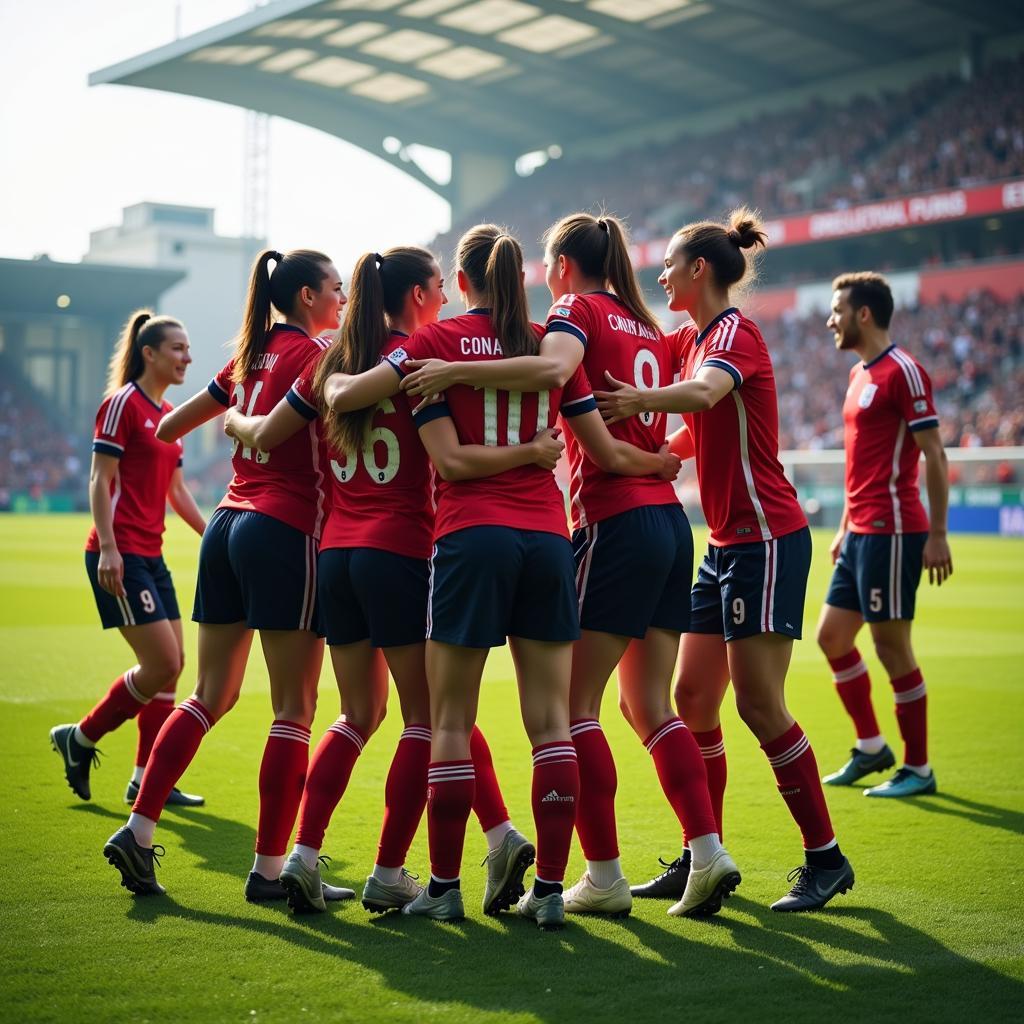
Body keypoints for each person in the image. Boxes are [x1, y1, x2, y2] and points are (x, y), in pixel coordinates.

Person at [400, 212, 738, 919]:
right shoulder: (645, 324)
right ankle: (705, 852)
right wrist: (665, 459)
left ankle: (602, 874)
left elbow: (573, 401)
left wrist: (456, 369)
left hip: (607, 520)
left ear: (558, 266)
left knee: (568, 712)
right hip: (665, 524)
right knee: (647, 705)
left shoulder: (573, 312)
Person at [223, 246, 558, 915]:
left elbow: (274, 426)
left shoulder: (334, 363)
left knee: (357, 713)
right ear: (416, 297)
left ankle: (306, 854)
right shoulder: (419, 363)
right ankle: (390, 870)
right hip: (401, 550)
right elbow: (455, 456)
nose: (444, 294)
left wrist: (233, 420)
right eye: (437, 285)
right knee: (428, 718)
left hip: (337, 552)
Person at [596, 208, 855, 912]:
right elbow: (696, 425)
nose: (661, 276)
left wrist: (638, 400)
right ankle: (701, 854)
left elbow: (708, 394)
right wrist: (661, 454)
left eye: (670, 266)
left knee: (760, 704)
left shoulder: (732, 333)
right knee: (691, 700)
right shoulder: (694, 338)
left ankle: (825, 858)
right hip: (726, 545)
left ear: (699, 270)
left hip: (767, 537)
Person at [102, 249, 350, 906]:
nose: (344, 298)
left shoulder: (250, 353)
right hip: (286, 530)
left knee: (208, 694)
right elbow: (282, 434)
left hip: (226, 525)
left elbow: (168, 427)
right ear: (306, 297)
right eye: (335, 287)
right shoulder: (316, 355)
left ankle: (139, 827)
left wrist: (236, 425)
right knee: (295, 708)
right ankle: (271, 870)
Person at [51, 311, 206, 808]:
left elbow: (177, 492)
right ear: (150, 353)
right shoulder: (121, 405)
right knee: (160, 663)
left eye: (187, 348)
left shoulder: (169, 415)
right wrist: (111, 548)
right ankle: (80, 737)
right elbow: (100, 479)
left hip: (152, 555)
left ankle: (144, 777)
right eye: (178, 348)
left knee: (174, 665)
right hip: (119, 554)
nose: (187, 357)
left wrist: (215, 534)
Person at [816, 272, 951, 797]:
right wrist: (847, 527)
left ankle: (918, 768)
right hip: (861, 533)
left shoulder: (905, 372)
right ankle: (872, 748)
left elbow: (935, 454)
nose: (831, 320)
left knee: (892, 648)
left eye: (837, 310)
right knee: (832, 638)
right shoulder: (858, 376)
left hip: (895, 531)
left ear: (863, 314)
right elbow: (863, 462)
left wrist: (937, 532)